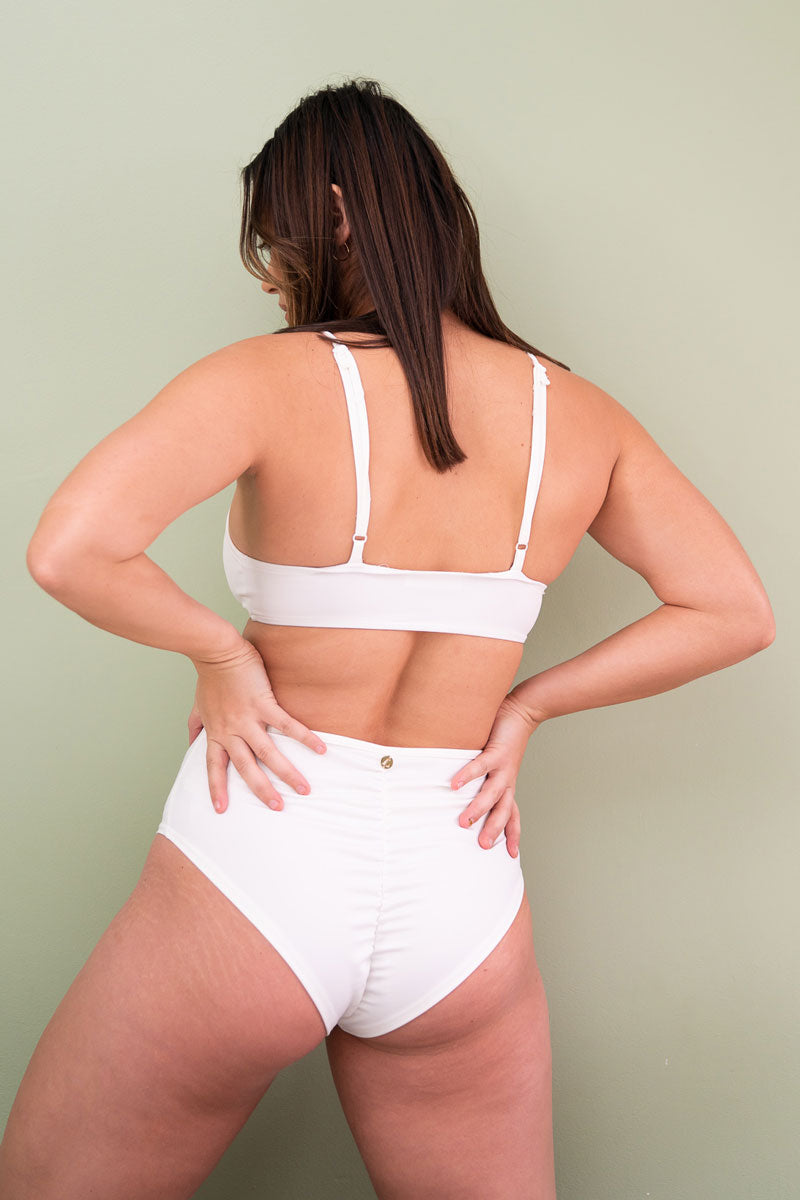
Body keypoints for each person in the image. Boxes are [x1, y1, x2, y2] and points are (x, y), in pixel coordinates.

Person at [1, 77, 775, 1200]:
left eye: (272, 235)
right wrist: (525, 706)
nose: (266, 270)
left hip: (265, 840)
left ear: (333, 214)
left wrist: (220, 655)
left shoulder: (266, 379)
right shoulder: (580, 416)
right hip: (458, 875)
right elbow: (734, 610)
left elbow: (69, 549)